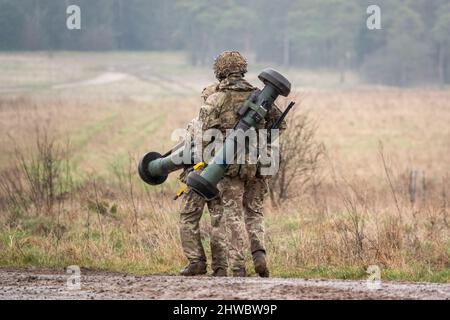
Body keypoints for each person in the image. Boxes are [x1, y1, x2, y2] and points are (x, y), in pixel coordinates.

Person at [198, 51, 286, 277]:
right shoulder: (260, 95)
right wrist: (261, 142)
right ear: (243, 69)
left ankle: (238, 267)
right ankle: (259, 255)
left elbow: (206, 133)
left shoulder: (215, 99)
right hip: (257, 165)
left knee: (233, 214)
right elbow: (279, 125)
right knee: (255, 212)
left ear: (220, 71)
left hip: (229, 167)